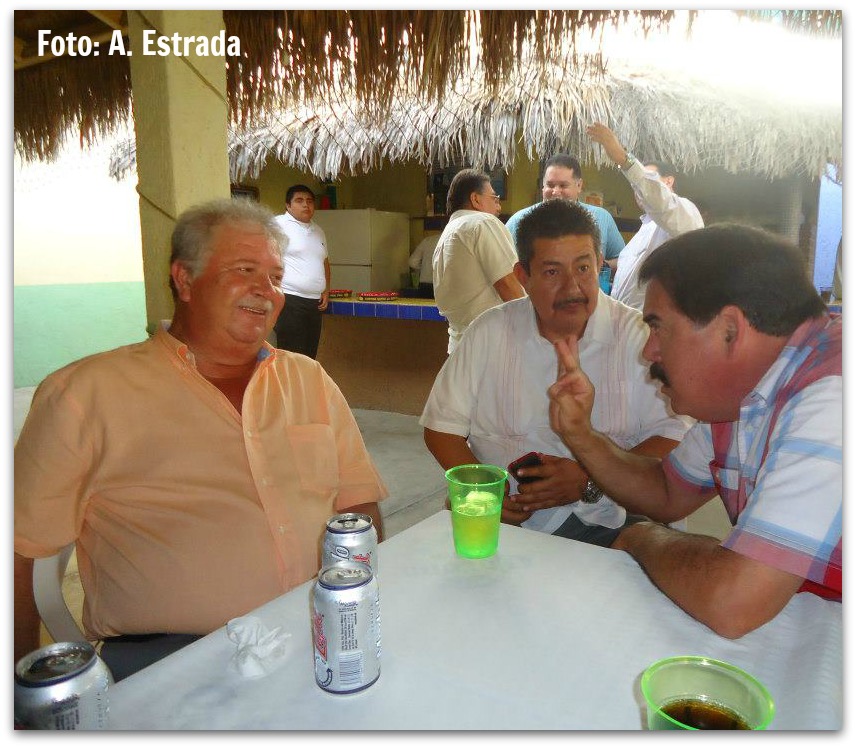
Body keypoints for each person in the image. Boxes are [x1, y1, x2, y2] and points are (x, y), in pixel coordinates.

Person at [14, 198, 387, 678]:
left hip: (323, 632)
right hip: (170, 658)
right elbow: (18, 552)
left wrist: (361, 605)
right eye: (245, 270)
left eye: (275, 277)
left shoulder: (308, 379)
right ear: (184, 279)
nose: (266, 291)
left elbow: (358, 505)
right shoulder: (85, 395)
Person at [548, 223, 841, 637]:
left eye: (657, 327)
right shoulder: (743, 395)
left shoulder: (834, 393)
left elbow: (733, 601)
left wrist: (641, 537)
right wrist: (580, 434)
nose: (648, 351)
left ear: (730, 330)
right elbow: (667, 492)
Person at [420, 199, 692, 545]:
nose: (572, 288)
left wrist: (591, 479)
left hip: (614, 520)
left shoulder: (640, 338)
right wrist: (485, 492)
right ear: (523, 277)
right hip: (510, 525)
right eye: (552, 272)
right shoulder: (489, 332)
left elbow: (674, 435)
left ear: (600, 265)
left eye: (583, 268)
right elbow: (441, 429)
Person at [587, 123, 704, 310]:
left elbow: (661, 201)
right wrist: (604, 264)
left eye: (648, 177)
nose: (638, 186)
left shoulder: (684, 214)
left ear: (669, 181)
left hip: (652, 323)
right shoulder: (646, 226)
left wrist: (625, 160)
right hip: (624, 321)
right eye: (635, 184)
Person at [432, 169, 526, 354]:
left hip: (460, 348)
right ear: (475, 199)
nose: (499, 208)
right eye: (495, 199)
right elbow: (508, 284)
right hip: (490, 348)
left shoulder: (447, 235)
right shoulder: (482, 222)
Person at [505, 153, 626, 272]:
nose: (556, 192)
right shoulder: (519, 221)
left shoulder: (601, 218)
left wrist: (601, 266)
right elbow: (503, 267)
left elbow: (623, 260)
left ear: (579, 185)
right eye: (550, 185)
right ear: (543, 186)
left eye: (563, 185)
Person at [273, 184, 331, 358]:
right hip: (289, 299)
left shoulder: (318, 231)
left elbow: (325, 262)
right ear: (288, 205)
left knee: (309, 356)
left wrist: (326, 290)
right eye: (299, 200)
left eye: (309, 201)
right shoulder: (277, 225)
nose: (306, 204)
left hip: (314, 303)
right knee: (291, 356)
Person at [408, 232, 439, 298]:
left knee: (424, 304)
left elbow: (412, 262)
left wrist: (424, 268)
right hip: (446, 285)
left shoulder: (428, 240)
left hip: (425, 285)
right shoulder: (454, 241)